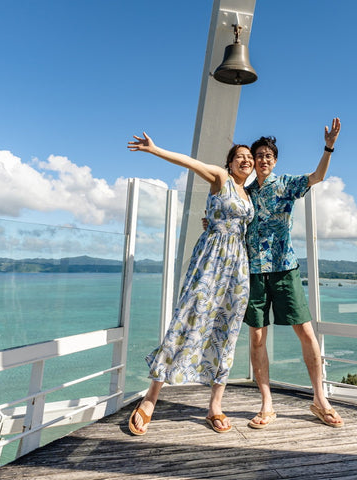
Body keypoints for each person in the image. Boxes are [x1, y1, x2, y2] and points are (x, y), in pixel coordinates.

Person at [125, 133, 255, 435]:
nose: (246, 160)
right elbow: (190, 162)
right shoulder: (220, 178)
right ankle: (151, 398)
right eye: (241, 156)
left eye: (250, 157)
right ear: (230, 162)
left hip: (238, 269)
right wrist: (155, 150)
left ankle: (215, 406)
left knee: (228, 332)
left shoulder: (250, 195)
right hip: (210, 261)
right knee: (186, 320)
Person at [245, 117, 344, 429]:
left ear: (274, 161)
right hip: (254, 271)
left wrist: (328, 147)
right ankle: (267, 403)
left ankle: (320, 398)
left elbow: (317, 176)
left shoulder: (286, 184)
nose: (263, 160)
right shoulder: (244, 193)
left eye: (268, 156)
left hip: (285, 268)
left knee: (305, 332)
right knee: (257, 337)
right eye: (258, 155)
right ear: (252, 160)